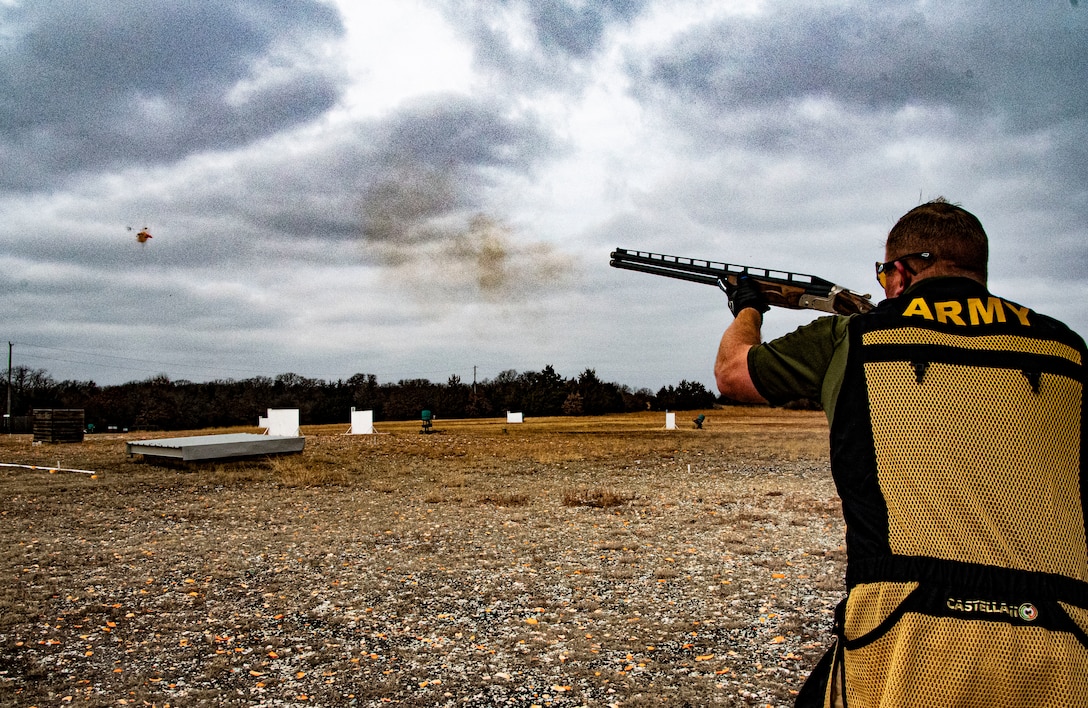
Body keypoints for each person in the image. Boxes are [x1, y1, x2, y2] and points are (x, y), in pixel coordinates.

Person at [714, 198, 1088, 707]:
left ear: (901, 271)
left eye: (884, 273)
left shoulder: (854, 335)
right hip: (1066, 639)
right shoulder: (1068, 349)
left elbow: (733, 372)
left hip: (904, 637)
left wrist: (748, 305)